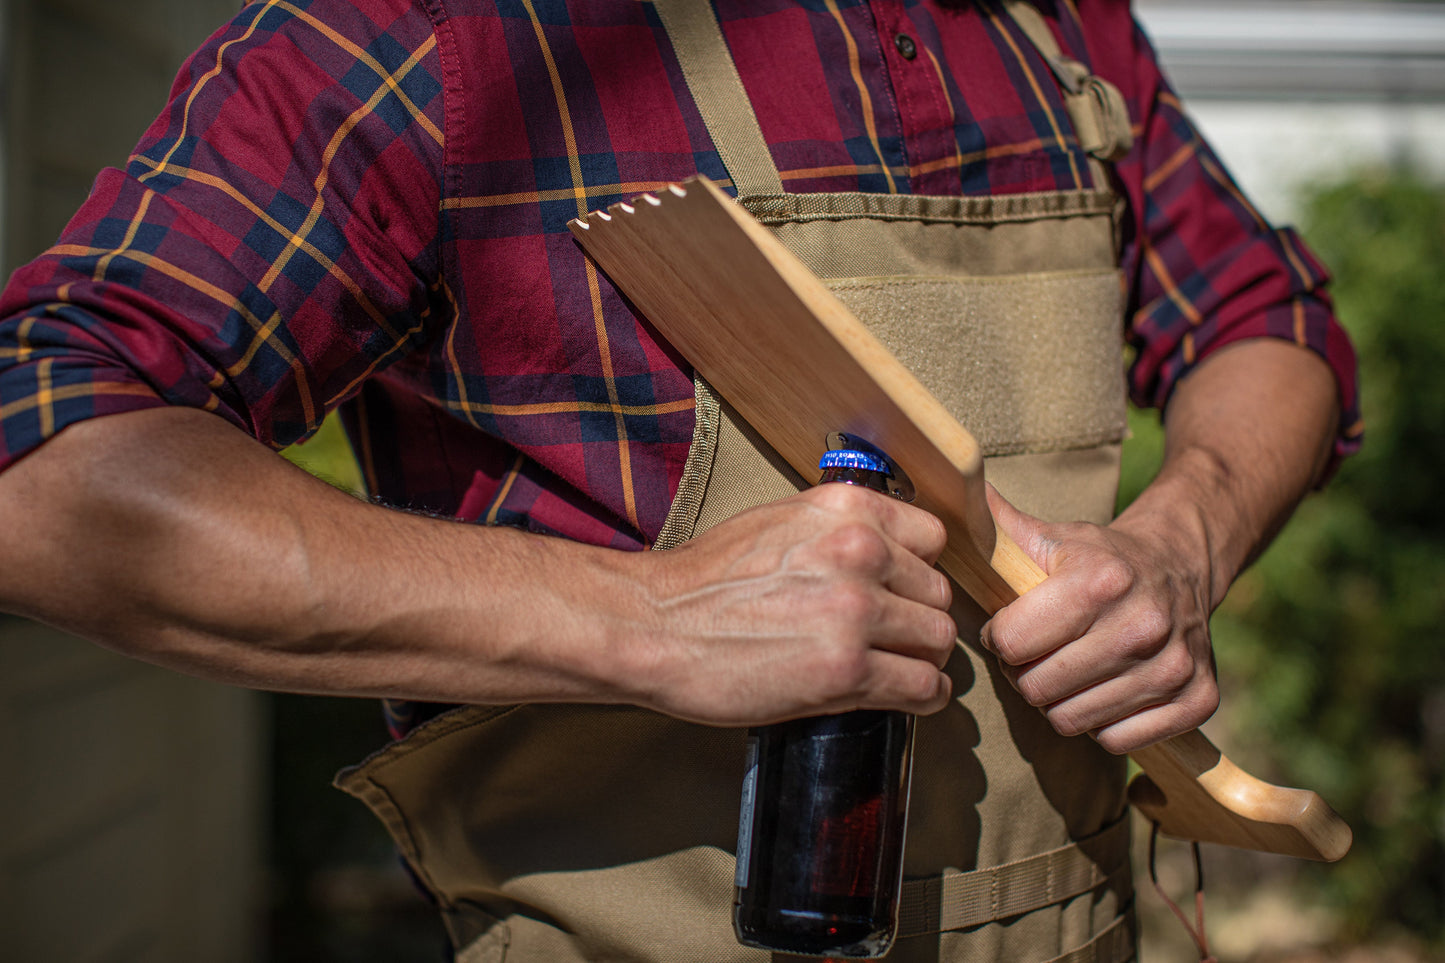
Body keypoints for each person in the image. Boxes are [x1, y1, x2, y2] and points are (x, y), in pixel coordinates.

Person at [0, 0, 1358, 960]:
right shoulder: (431, 33)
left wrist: (1180, 545)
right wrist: (644, 619)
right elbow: (43, 458)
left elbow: (1261, 315)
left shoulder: (1047, 29)